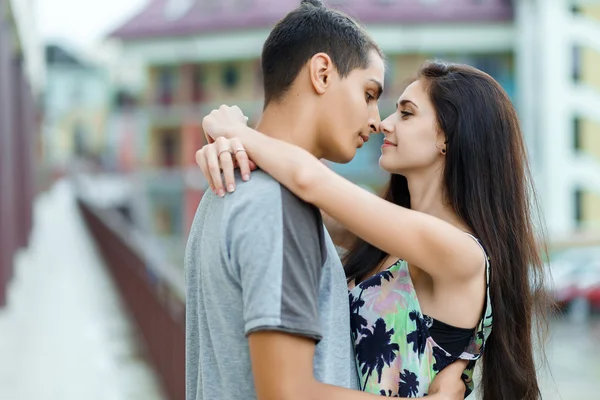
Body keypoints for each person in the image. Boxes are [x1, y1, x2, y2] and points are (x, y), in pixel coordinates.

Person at [196, 61, 551, 399]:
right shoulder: (384, 242)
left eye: (407, 113)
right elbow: (290, 182)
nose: (384, 123)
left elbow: (308, 180)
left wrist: (236, 131)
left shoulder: (459, 252)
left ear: (448, 137)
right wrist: (229, 139)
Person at [185, 1, 467, 399]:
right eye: (370, 94)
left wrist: (237, 134)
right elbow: (288, 393)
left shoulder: (225, 190)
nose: (377, 120)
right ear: (321, 73)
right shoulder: (277, 206)